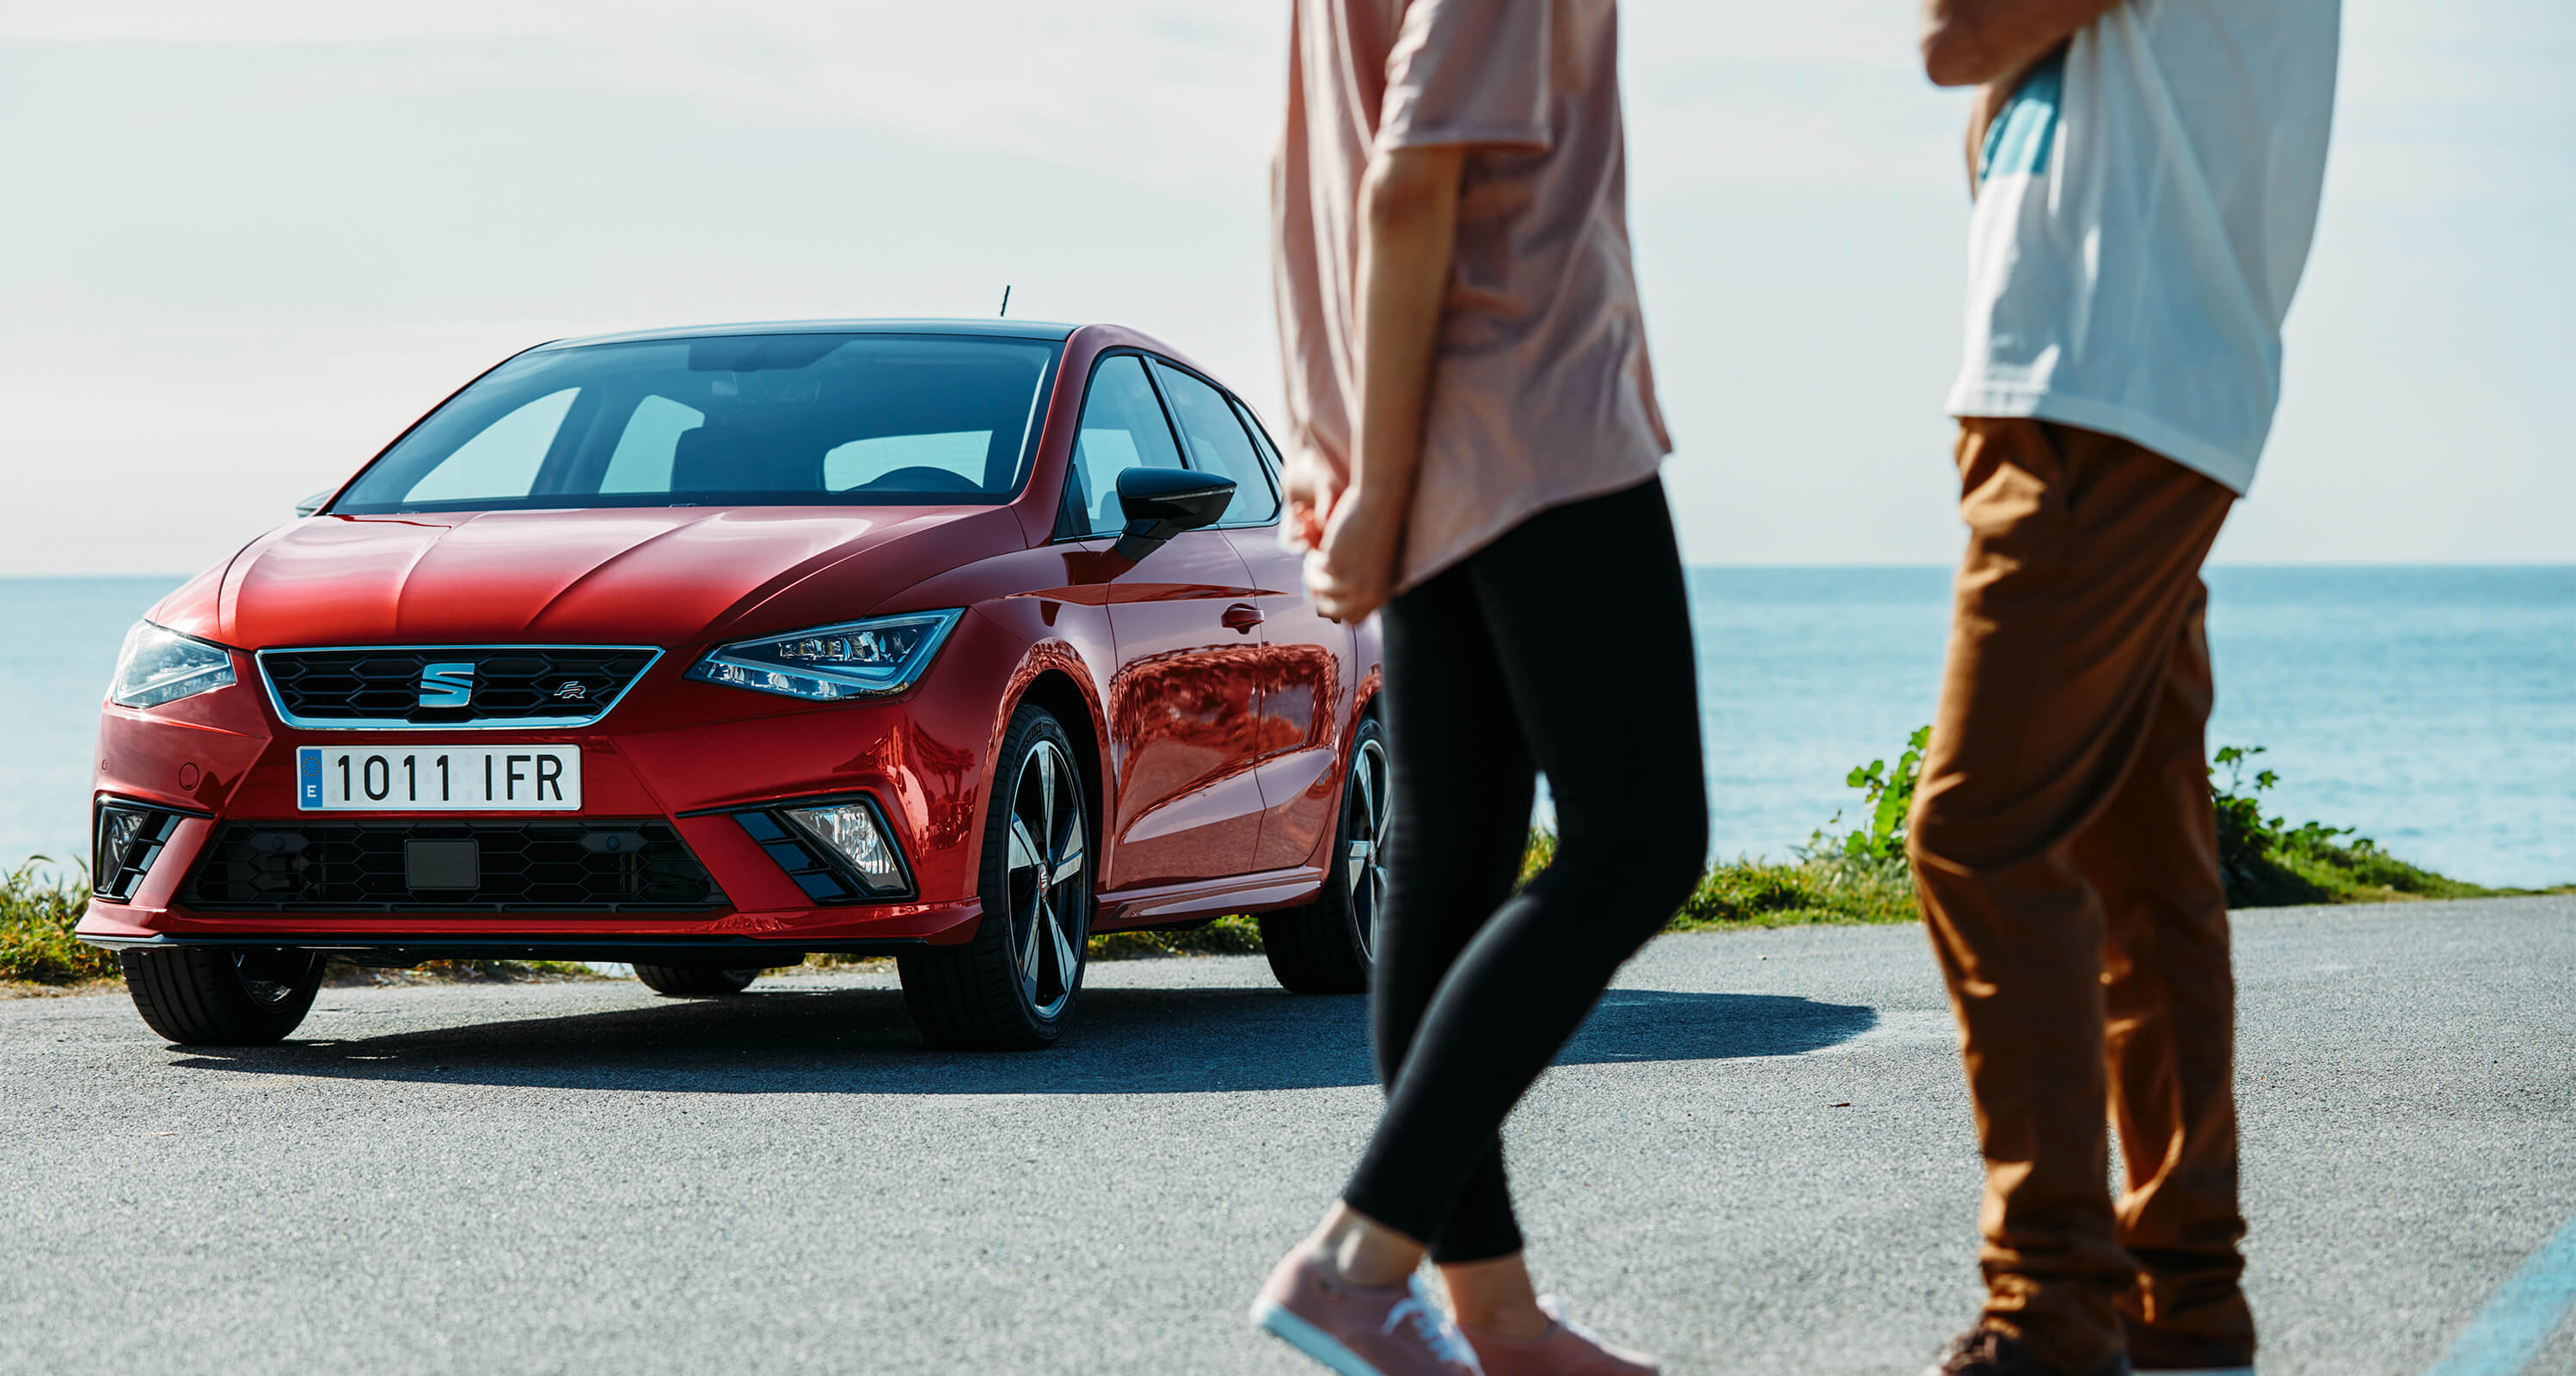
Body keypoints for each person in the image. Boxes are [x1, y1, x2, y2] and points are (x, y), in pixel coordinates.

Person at [1248, 2, 1706, 1373]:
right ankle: (1355, 1257)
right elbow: (1409, 176)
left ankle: (1491, 1317)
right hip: (1533, 419)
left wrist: (1344, 449)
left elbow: (1308, 177)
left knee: (1449, 875)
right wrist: (1376, 485)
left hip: (1423, 421)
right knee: (1641, 842)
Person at [1906, 2, 2340, 1374]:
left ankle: (2055, 1300)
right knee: (2139, 849)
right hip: (2128, 375)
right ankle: (2183, 1287)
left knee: (1979, 832)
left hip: (2099, 378)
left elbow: (1956, 33)